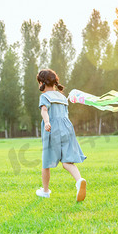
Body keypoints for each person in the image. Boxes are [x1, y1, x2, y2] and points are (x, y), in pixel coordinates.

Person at [35, 69, 87, 202]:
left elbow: (44, 110)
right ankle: (79, 180)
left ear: (41, 82)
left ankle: (45, 191)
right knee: (67, 162)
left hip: (53, 129)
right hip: (68, 129)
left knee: (46, 162)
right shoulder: (63, 97)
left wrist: (47, 122)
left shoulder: (45, 96)